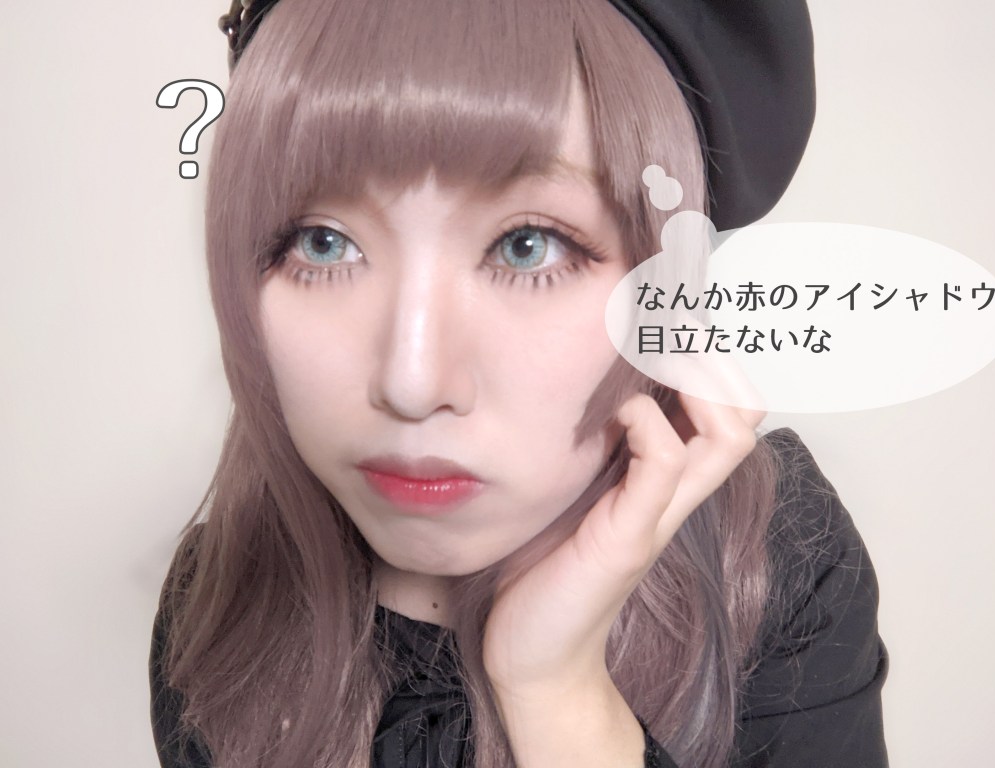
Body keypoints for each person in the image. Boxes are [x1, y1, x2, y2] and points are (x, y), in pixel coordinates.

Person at [150, 1, 888, 766]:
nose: (412, 384)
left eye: (527, 246)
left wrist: (555, 691)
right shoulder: (220, 601)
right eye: (322, 243)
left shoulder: (777, 557)